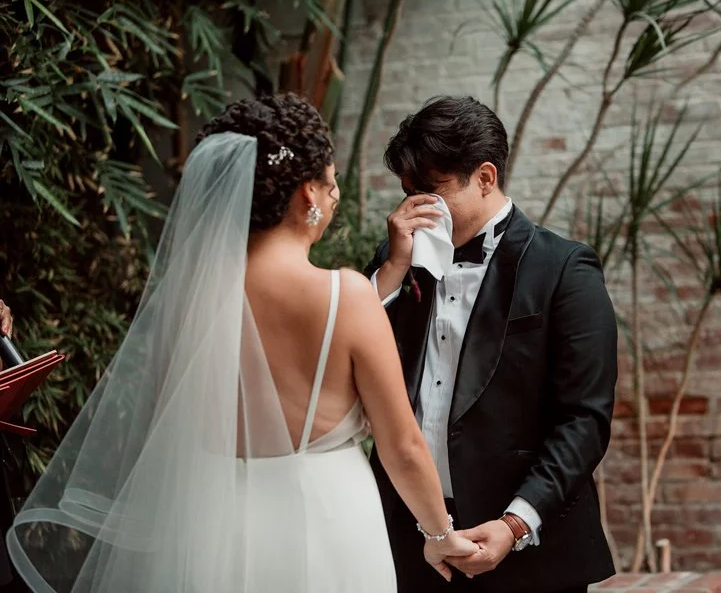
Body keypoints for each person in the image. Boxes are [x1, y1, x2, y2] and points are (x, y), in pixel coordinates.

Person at [6, 94, 476, 592]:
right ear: (307, 196)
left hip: (208, 526)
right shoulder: (347, 296)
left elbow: (164, 422)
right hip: (325, 525)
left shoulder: (183, 303)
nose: (335, 197)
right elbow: (402, 445)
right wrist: (439, 534)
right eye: (331, 183)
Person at [365, 96, 619, 593]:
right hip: (409, 545)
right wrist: (392, 271)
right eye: (408, 194)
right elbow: (349, 366)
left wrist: (515, 524)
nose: (418, 210)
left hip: (528, 553)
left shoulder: (564, 269)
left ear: (484, 177)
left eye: (431, 192)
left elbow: (585, 420)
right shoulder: (395, 262)